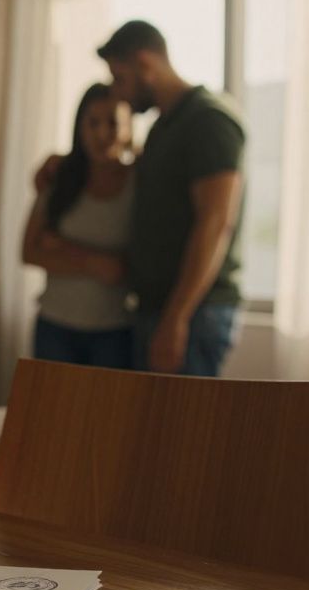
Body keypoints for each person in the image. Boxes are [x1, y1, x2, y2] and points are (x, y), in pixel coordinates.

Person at [98, 20, 245, 376]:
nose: (119, 94)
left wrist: (176, 318)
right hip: (158, 309)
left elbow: (216, 223)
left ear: (146, 64)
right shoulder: (165, 128)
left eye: (121, 78)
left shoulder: (208, 121)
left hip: (192, 314)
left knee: (181, 430)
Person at [22, 83, 134, 368]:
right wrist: (94, 262)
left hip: (114, 329)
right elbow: (29, 252)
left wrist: (59, 246)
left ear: (128, 127)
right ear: (79, 127)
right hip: (55, 326)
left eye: (112, 123)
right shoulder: (59, 177)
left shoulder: (139, 182)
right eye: (92, 123)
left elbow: (126, 267)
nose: (101, 134)